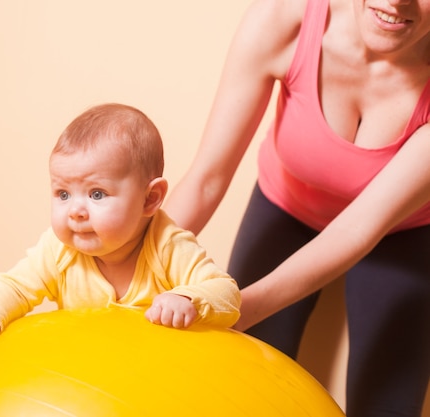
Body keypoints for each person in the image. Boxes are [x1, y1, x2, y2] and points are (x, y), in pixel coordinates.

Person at [163, 0, 430, 415]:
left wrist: (230, 310)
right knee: (242, 385)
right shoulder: (283, 19)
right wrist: (125, 265)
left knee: (388, 404)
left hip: (402, 234)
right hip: (286, 205)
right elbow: (206, 179)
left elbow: (356, 230)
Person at [0, 103, 241, 350]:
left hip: (158, 379)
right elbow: (15, 287)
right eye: (63, 194)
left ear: (149, 199)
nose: (76, 211)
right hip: (91, 381)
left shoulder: (167, 246)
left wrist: (186, 297)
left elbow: (226, 293)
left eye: (96, 194)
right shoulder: (59, 251)